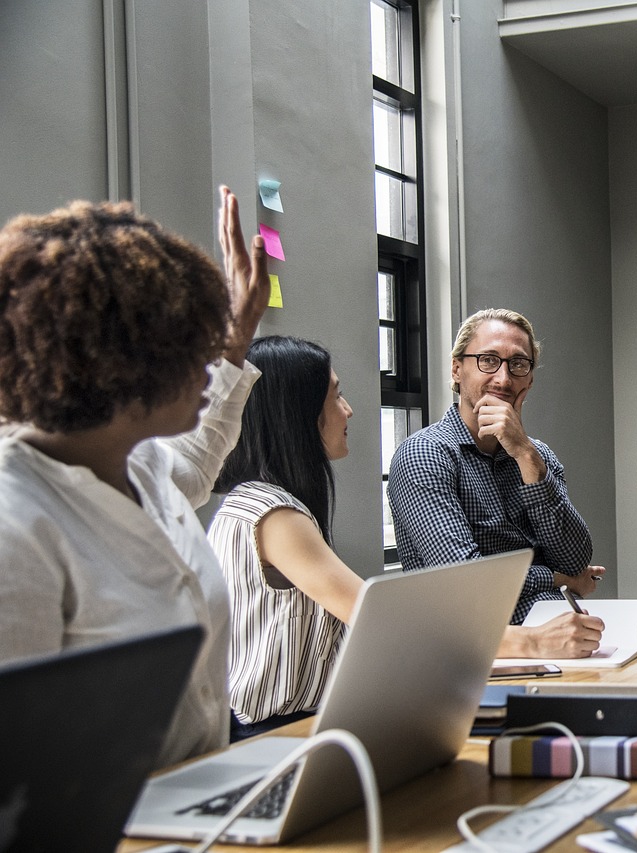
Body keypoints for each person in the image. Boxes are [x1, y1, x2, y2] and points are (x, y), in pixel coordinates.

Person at [0, 187, 269, 768]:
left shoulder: (138, 459)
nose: (209, 366)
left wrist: (237, 339)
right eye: (192, 352)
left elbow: (194, 466)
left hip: (198, 803)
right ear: (126, 366)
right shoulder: (14, 526)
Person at [388, 308, 605, 658]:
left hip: (560, 631)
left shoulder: (538, 455)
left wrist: (525, 455)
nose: (504, 379)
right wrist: (558, 579)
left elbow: (576, 557)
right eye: (488, 360)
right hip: (480, 650)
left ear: (530, 381)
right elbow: (468, 585)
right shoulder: (425, 455)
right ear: (457, 369)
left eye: (518, 364)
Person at [208, 335, 362, 741]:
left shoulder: (252, 500)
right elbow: (371, 614)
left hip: (286, 725)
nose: (348, 411)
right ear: (298, 413)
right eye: (337, 396)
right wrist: (529, 644)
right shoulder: (274, 514)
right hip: (273, 735)